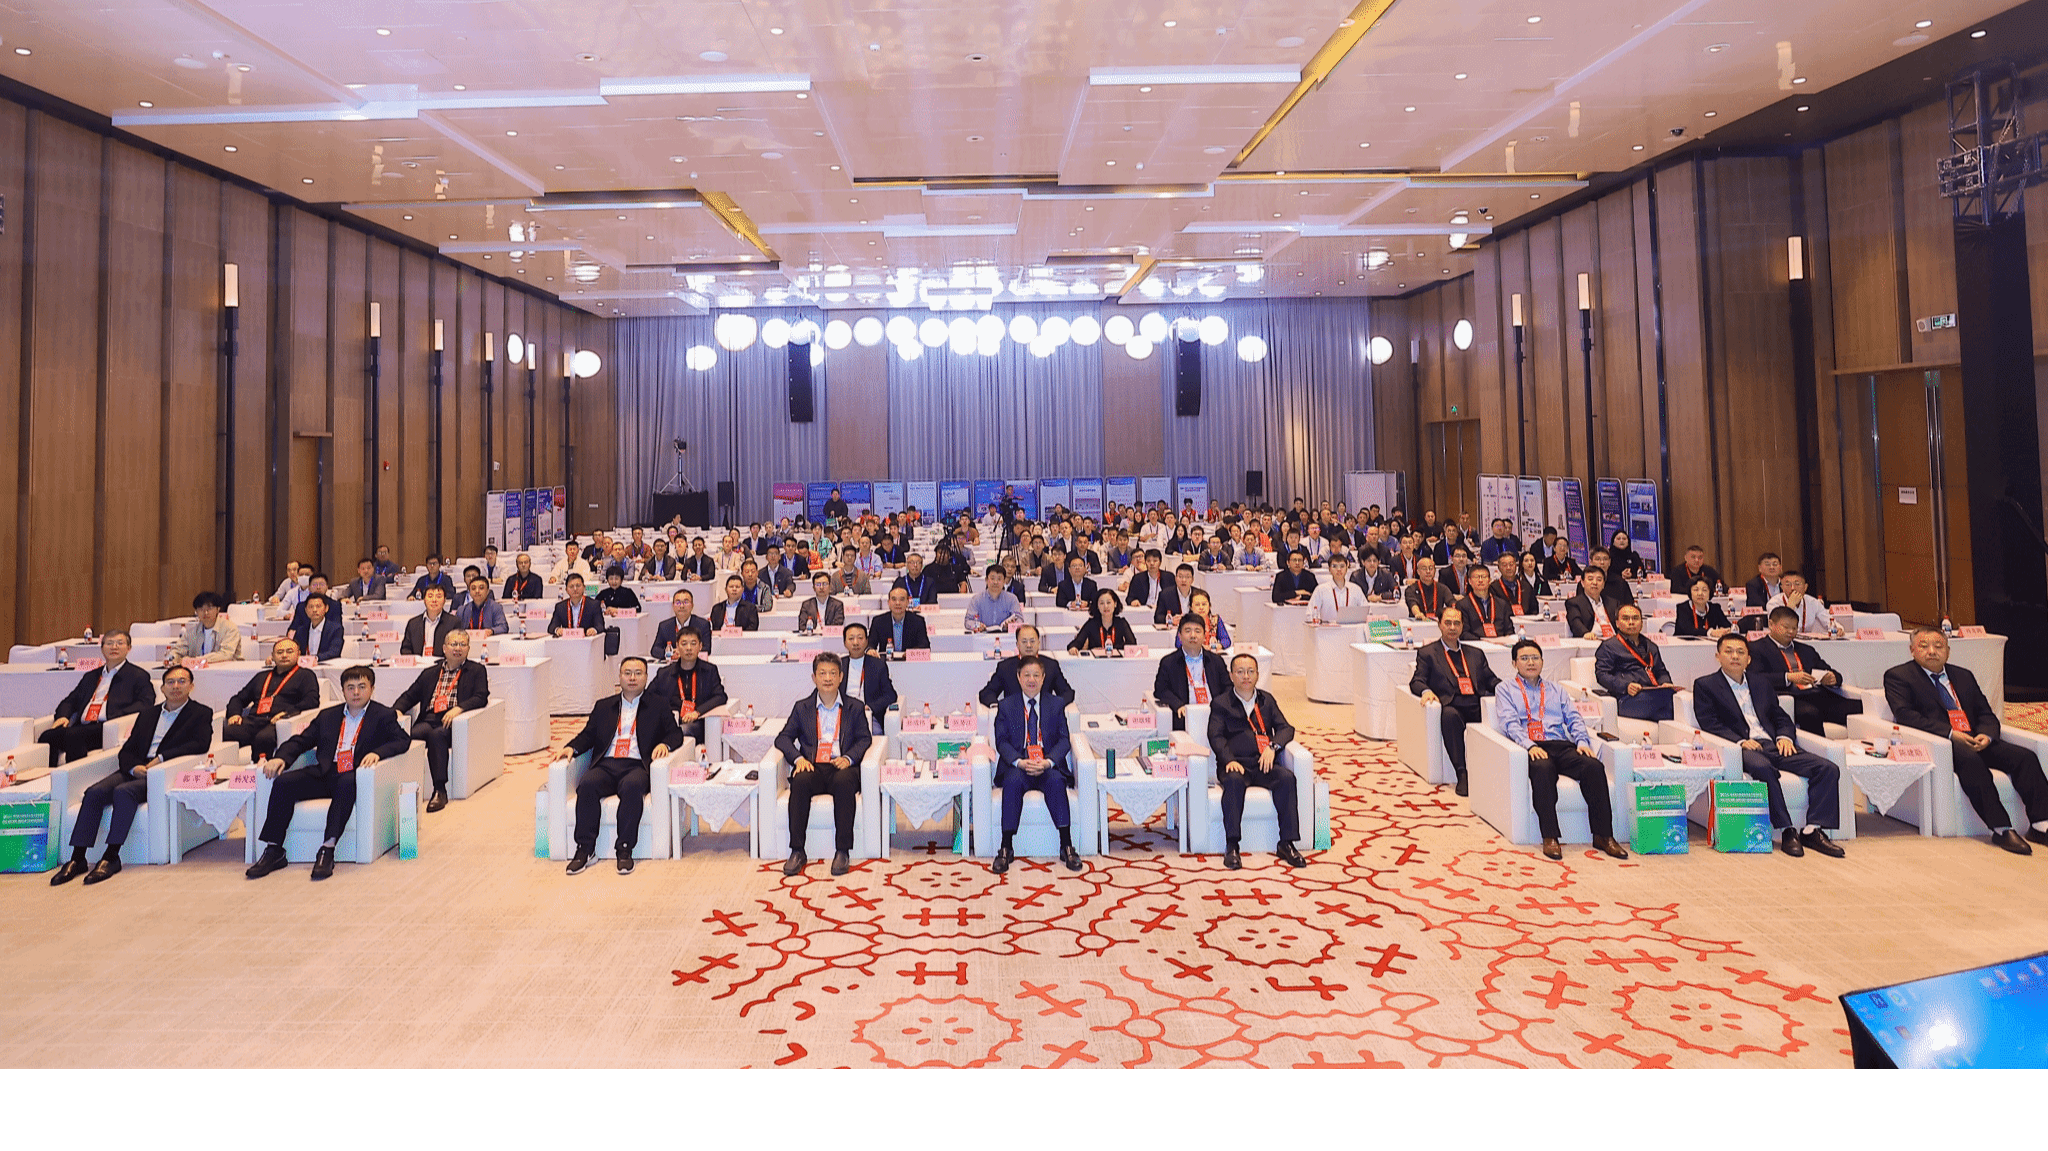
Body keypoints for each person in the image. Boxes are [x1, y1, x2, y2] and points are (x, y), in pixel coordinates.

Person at [1885, 628, 2048, 854]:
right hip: (1940, 741)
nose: (1931, 651)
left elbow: (1985, 713)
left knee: (2025, 757)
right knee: (1972, 762)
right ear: (1912, 650)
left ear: (1948, 651)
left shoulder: (1963, 676)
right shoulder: (1898, 676)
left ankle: (2041, 825)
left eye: (1938, 646)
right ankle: (2001, 828)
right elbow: (1906, 715)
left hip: (1974, 738)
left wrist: (1986, 735)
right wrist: (1950, 733)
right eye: (1924, 646)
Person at [48, 665, 214, 886]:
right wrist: (133, 767)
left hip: (163, 772)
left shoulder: (201, 713)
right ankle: (77, 857)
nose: (176, 686)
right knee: (94, 793)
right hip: (136, 768)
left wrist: (161, 759)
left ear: (191, 686)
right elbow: (127, 750)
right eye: (171, 682)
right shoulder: (148, 714)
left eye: (182, 681)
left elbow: (200, 744)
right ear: (162, 688)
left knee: (124, 792)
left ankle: (111, 856)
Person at [245, 665, 411, 881]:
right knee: (284, 782)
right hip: (326, 771)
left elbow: (402, 741)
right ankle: (274, 849)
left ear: (372, 688)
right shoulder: (328, 716)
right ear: (342, 691)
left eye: (362, 687)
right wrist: (281, 757)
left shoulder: (383, 715)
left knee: (345, 783)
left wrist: (377, 753)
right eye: (350, 687)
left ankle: (327, 849)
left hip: (356, 774)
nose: (356, 693)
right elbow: (301, 741)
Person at [1691, 635, 1846, 858]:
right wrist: (1740, 742)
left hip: (1774, 744)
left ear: (1749, 659)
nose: (1735, 656)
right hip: (1741, 747)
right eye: (1729, 651)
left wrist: (1785, 737)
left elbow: (1779, 716)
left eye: (1740, 652)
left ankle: (1813, 830)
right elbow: (1709, 722)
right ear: (1718, 656)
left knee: (1827, 768)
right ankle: (1787, 829)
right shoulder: (1706, 685)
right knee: (1763, 768)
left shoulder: (1760, 683)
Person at [1492, 639, 1628, 861]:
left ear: (1542, 661)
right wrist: (1529, 745)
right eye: (1524, 658)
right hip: (1531, 746)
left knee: (1593, 767)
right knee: (1543, 769)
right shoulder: (1505, 689)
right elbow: (1509, 723)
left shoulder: (1556, 689)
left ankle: (1604, 836)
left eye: (1535, 658)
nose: (1530, 662)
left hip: (1560, 744)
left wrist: (1582, 742)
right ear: (1514, 663)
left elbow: (1574, 718)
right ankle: (1550, 836)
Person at [553, 658, 680, 876]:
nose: (632, 678)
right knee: (587, 785)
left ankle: (624, 849)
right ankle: (585, 849)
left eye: (638, 673)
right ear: (619, 677)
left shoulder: (658, 705)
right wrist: (571, 748)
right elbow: (588, 735)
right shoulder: (604, 706)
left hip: (637, 765)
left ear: (646, 677)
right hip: (607, 764)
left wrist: (664, 744)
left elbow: (675, 734)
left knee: (632, 787)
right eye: (627, 673)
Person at [1208, 653, 1309, 870]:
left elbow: (1286, 728)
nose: (1246, 676)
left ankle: (1287, 843)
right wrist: (1228, 759)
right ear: (1231, 675)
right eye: (1240, 672)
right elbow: (1215, 736)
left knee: (1286, 778)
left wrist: (1273, 747)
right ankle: (1232, 845)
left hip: (1263, 763)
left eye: (1250, 671)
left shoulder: (1266, 700)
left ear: (1257, 675)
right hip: (1235, 765)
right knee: (1233, 782)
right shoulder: (1221, 703)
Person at [776, 652, 870, 876]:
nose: (828, 678)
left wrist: (849, 758)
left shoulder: (855, 707)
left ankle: (842, 851)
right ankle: (797, 851)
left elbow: (864, 739)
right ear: (814, 677)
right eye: (822, 673)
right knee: (800, 781)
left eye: (833, 673)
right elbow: (783, 738)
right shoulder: (802, 708)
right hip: (813, 766)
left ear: (841, 677)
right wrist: (798, 759)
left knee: (845, 782)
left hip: (842, 765)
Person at [990, 656, 1082, 873]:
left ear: (1043, 678)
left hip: (1046, 763)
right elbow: (1001, 741)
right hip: (1019, 764)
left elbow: (1064, 740)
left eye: (1036, 675)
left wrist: (1048, 762)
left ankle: (1066, 845)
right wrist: (1020, 762)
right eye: (1027, 675)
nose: (1031, 680)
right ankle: (1006, 847)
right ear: (1018, 677)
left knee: (1057, 782)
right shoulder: (1006, 706)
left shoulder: (1056, 704)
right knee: (1012, 783)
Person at [391, 629, 489, 812]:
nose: (458, 648)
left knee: (437, 736)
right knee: (407, 736)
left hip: (453, 722)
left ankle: (439, 790)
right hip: (429, 719)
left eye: (462, 644)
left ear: (468, 649)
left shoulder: (476, 670)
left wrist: (459, 709)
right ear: (444, 648)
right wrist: (396, 711)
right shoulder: (430, 673)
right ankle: (401, 788)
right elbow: (410, 695)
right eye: (454, 644)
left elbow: (481, 697)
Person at [1409, 606, 1498, 796]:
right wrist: (1426, 691)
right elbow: (1417, 681)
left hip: (1476, 702)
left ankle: (1493, 771)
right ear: (1439, 625)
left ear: (1462, 626)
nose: (1452, 627)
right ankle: (1462, 772)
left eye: (1457, 623)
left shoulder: (1475, 653)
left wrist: (1508, 690)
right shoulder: (1428, 653)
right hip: (1451, 704)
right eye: (1448, 623)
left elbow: (1491, 680)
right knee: (1449, 716)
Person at [1749, 606, 1862, 735]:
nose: (1791, 631)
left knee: (1859, 707)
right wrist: (1788, 677)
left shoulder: (1806, 649)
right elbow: (1755, 678)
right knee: (1810, 713)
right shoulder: (1756, 648)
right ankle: (1820, 747)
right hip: (1789, 698)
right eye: (1786, 627)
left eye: (1794, 628)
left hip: (1817, 695)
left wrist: (1833, 678)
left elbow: (1831, 672)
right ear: (1771, 624)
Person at [221, 637, 320, 760]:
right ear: (272, 656)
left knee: (263, 738)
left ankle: (260, 770)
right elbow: (238, 699)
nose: (284, 655)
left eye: (289, 652)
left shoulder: (305, 675)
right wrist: (234, 714)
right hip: (254, 720)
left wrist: (287, 713)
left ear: (298, 654)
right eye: (279, 652)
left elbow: (312, 700)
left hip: (278, 722)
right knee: (226, 733)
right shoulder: (261, 676)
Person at [1595, 604, 1677, 722]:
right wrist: (1626, 686)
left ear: (1642, 623)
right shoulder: (1609, 646)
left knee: (1670, 706)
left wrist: (1665, 682)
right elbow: (1602, 675)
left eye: (1635, 618)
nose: (1631, 622)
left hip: (1652, 693)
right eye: (1626, 619)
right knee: (1668, 699)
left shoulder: (1651, 646)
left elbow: (1660, 671)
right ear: (1617, 623)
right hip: (1626, 698)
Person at [1154, 614, 1232, 730]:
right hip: (1185, 716)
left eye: (1197, 631)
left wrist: (1220, 706)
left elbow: (1228, 687)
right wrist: (1177, 704)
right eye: (1187, 631)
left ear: (1204, 636)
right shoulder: (1169, 662)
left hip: (1215, 716)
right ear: (1179, 635)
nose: (1193, 635)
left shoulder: (1216, 661)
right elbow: (1160, 690)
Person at [649, 628, 724, 746]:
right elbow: (649, 697)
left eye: (693, 643)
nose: (689, 648)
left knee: (683, 730)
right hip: (670, 721)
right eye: (684, 644)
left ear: (700, 646)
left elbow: (720, 696)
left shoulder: (709, 670)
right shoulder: (664, 673)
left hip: (697, 723)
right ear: (677, 647)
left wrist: (697, 712)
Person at [979, 625, 1075, 706]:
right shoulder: (1005, 667)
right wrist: (997, 708)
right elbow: (987, 693)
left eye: (1032, 641)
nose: (1028, 645)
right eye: (1024, 641)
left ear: (1039, 643)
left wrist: (1054, 707)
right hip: (1014, 718)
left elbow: (1067, 692)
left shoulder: (1051, 665)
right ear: (1017, 644)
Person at [840, 623, 897, 727]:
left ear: (867, 641)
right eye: (851, 639)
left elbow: (890, 695)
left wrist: (870, 707)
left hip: (868, 716)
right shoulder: (838, 665)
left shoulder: (877, 665)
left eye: (860, 638)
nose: (856, 643)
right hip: (843, 716)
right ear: (845, 643)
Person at [168, 591, 243, 664]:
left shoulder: (230, 628)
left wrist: (197, 660)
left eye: (209, 608)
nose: (205, 613)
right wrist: (171, 658)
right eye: (201, 609)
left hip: (227, 670)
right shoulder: (192, 632)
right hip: (199, 670)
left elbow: (226, 654)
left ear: (218, 609)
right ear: (196, 612)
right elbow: (177, 650)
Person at [1764, 570, 1833, 635]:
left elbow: (1829, 621)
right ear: (1782, 588)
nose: (1792, 588)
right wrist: (1790, 607)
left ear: (1805, 587)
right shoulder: (1773, 603)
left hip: (1806, 641)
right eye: (1788, 584)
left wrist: (1837, 628)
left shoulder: (1813, 602)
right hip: (1783, 640)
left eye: (1797, 584)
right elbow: (1778, 627)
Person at [1069, 588, 1137, 653]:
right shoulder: (1091, 624)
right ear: (1097, 606)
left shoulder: (1121, 623)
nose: (1105, 606)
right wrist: (1074, 648)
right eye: (1101, 603)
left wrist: (1112, 649)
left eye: (1108, 602)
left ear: (1115, 604)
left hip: (1117, 660)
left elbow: (1132, 643)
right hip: (1096, 661)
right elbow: (1076, 643)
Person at [869, 586, 931, 655]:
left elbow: (925, 645)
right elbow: (870, 644)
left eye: (902, 599)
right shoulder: (878, 621)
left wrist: (910, 653)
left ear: (907, 602)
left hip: (909, 660)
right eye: (894, 599)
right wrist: (870, 650)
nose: (898, 603)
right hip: (886, 660)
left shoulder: (918, 621)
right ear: (888, 602)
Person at [401, 586, 459, 657]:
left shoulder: (453, 623)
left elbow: (456, 650)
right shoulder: (413, 623)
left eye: (438, 596)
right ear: (424, 600)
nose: (434, 600)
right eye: (430, 596)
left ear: (444, 600)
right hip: (418, 663)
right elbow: (405, 649)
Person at [652, 589, 713, 657]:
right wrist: (671, 653)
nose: (681, 606)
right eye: (678, 602)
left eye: (686, 602)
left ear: (692, 605)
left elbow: (706, 649)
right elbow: (655, 650)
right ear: (673, 606)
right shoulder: (664, 626)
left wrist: (683, 653)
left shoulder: (703, 624)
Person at [1456, 567, 1511, 640]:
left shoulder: (1502, 604)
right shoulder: (1462, 605)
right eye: (1476, 577)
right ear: (1470, 581)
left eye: (1484, 577)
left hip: (1500, 644)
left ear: (1489, 580)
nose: (1480, 580)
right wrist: (1482, 641)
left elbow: (1509, 630)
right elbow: (1463, 633)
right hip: (1475, 644)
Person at [286, 592, 342, 663]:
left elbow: (334, 652)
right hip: (304, 666)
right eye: (311, 607)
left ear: (326, 608)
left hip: (324, 664)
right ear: (306, 610)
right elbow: (294, 650)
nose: (314, 610)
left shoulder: (335, 629)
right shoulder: (301, 630)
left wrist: (315, 658)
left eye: (318, 606)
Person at [966, 564, 1023, 632]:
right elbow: (968, 621)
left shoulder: (1012, 599)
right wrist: (978, 625)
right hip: (982, 636)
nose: (995, 582)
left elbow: (1020, 620)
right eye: (992, 579)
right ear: (986, 580)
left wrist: (1011, 624)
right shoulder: (976, 599)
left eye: (999, 579)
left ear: (1004, 581)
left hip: (1005, 636)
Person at [1564, 567, 1617, 640]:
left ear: (1603, 584)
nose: (1595, 583)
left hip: (1613, 640)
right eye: (1590, 579)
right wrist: (1585, 633)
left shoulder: (1613, 603)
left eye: (1599, 580)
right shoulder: (1574, 603)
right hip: (1591, 640)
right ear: (1582, 583)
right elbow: (1575, 621)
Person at [1307, 556, 1362, 621]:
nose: (1339, 569)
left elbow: (1368, 613)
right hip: (1327, 627)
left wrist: (1370, 625)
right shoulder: (1320, 590)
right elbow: (1310, 614)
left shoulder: (1356, 589)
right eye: (1334, 566)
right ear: (1329, 569)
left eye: (1342, 566)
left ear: (1347, 568)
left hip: (1351, 627)